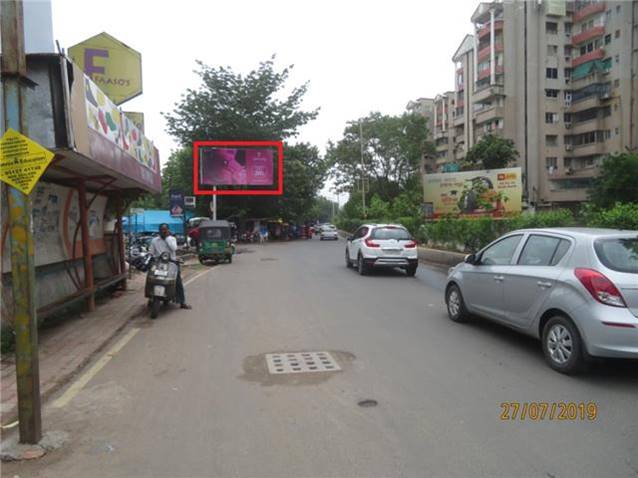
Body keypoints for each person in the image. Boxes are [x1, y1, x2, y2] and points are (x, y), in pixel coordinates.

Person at [149, 223, 192, 309]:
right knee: (151, 278)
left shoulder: (172, 239)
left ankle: (182, 302)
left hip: (171, 263)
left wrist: (167, 238)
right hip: (159, 264)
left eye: (165, 229)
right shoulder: (154, 240)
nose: (163, 231)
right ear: (159, 230)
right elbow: (151, 252)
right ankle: (150, 298)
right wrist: (152, 257)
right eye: (162, 229)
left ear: (168, 230)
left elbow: (174, 248)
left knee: (178, 282)